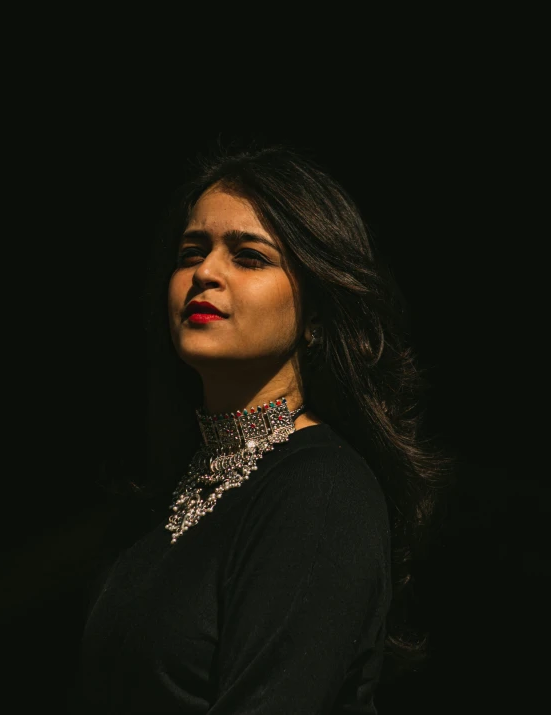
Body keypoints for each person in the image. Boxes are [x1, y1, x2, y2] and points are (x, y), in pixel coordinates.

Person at [68, 143, 448, 714]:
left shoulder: (321, 493)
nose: (205, 273)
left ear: (317, 311)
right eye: (191, 251)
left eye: (249, 257)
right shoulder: (164, 495)